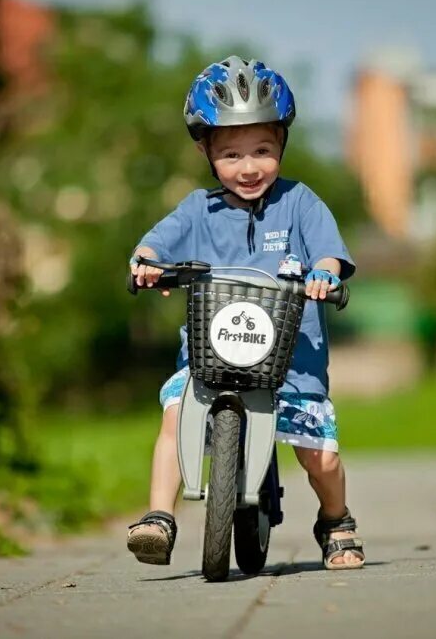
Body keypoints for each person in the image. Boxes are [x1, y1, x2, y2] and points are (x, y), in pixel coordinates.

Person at [126, 56, 364, 571]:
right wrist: (146, 264)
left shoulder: (300, 202)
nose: (249, 166)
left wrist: (324, 273)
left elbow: (328, 252)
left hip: (291, 361)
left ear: (282, 144)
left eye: (262, 149)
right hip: (210, 356)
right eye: (231, 153)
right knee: (175, 418)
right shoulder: (197, 210)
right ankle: (158, 518)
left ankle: (336, 520)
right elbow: (156, 243)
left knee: (319, 456)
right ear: (205, 151)